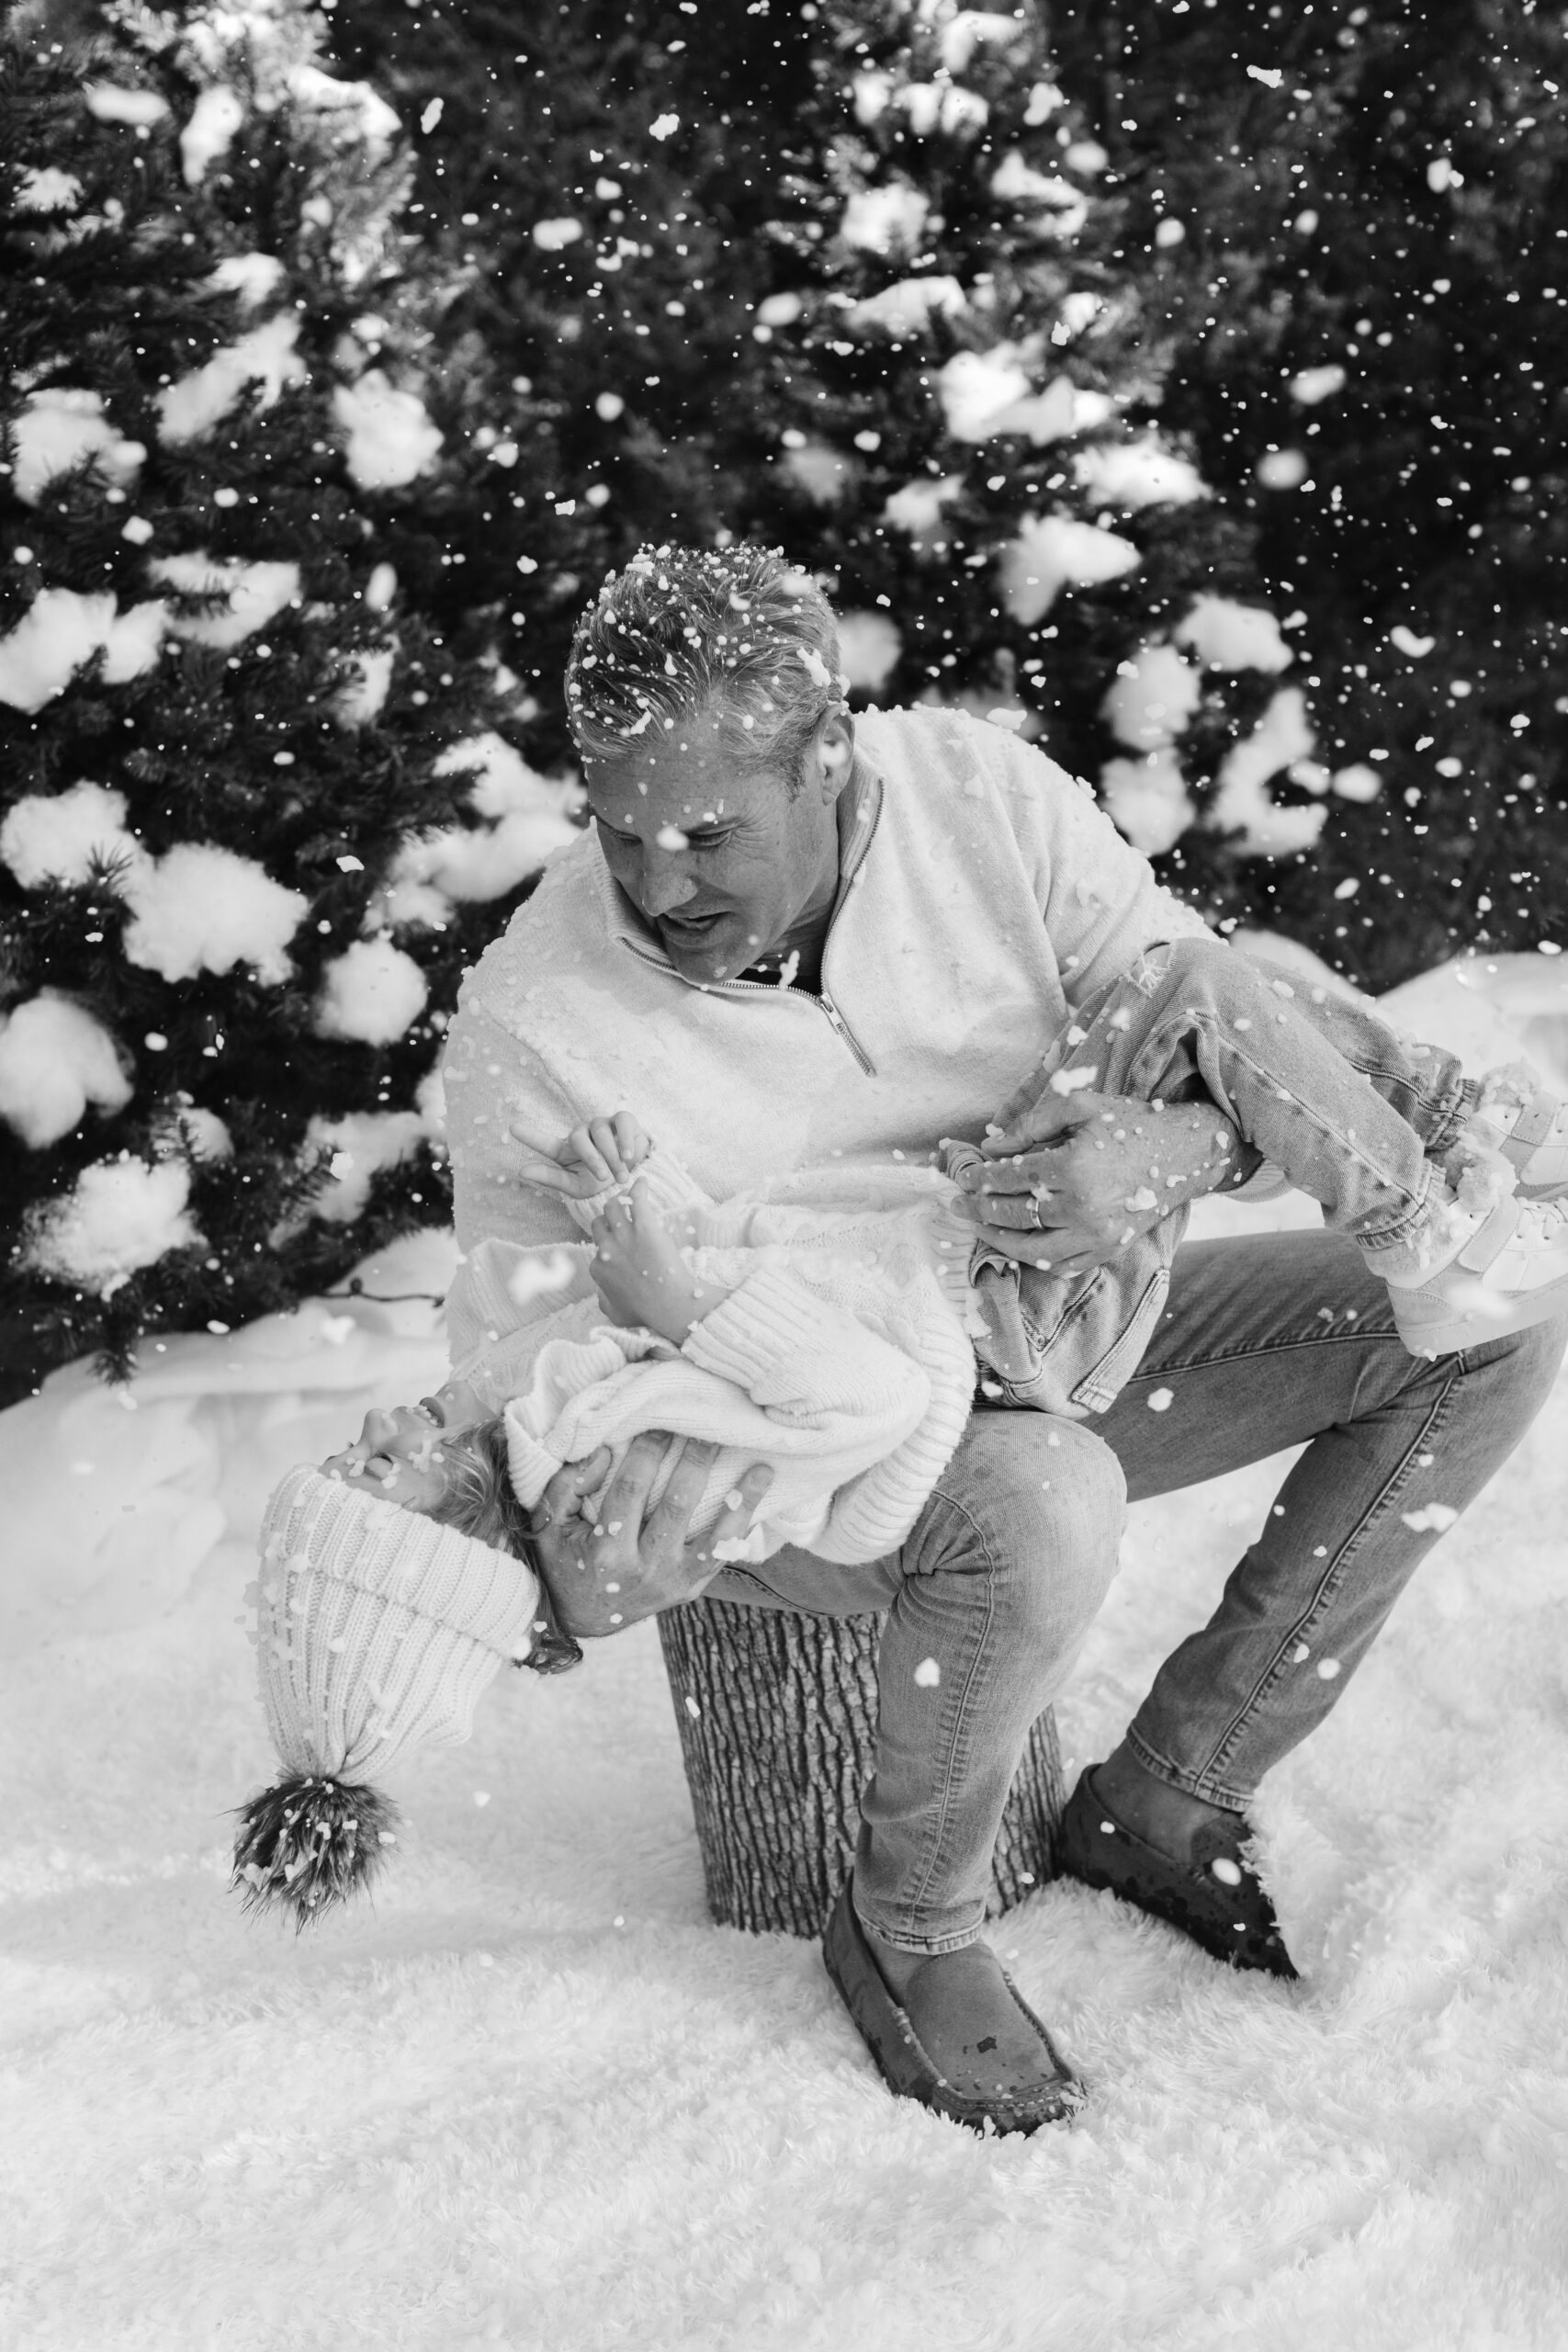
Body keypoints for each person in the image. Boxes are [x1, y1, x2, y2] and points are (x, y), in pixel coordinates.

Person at [435, 539, 1567, 2136]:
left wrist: (1160, 1163)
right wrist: (643, 1443)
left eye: (707, 832)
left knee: (1480, 1335)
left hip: (1053, 1312)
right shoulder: (532, 1028)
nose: (662, 884)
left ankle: (1178, 1786)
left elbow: (1209, 1016)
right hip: (798, 1448)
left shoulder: (975, 794)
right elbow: (510, 1363)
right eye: (621, 834)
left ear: (827, 752)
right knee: (1042, 1501)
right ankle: (907, 1927)